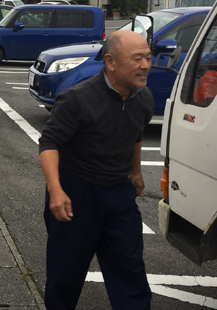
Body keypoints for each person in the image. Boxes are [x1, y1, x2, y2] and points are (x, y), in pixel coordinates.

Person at [38, 30, 153, 310]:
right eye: (137, 58)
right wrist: (56, 190)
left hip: (119, 193)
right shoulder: (78, 98)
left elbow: (135, 133)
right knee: (65, 276)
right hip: (77, 192)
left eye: (148, 58)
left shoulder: (143, 97)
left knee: (130, 271)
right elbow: (49, 143)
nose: (145, 65)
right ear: (111, 62)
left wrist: (136, 171)